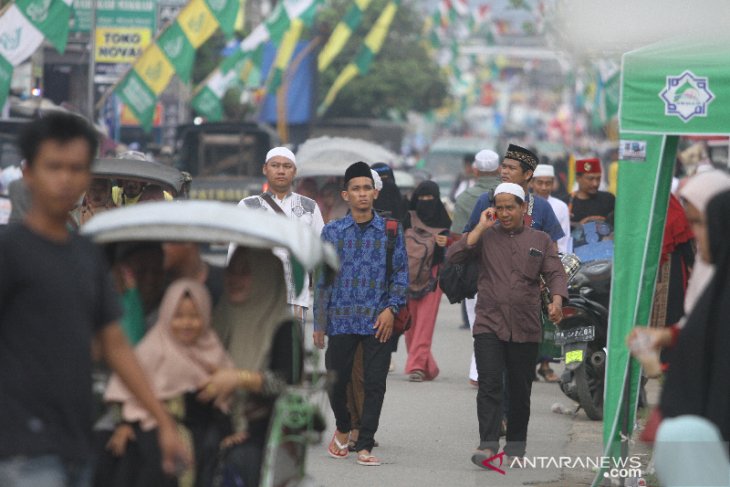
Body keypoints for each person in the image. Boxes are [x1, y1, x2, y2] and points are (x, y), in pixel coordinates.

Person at [0, 113, 187, 487]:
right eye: (53, 167)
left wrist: (163, 422)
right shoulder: (10, 252)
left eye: (76, 168)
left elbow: (114, 345)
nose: (65, 179)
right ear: (28, 173)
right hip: (21, 446)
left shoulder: (88, 256)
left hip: (78, 439)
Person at [447, 183, 568, 469]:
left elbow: (555, 273)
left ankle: (515, 447)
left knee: (519, 389)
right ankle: (488, 446)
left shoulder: (540, 239)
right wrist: (479, 227)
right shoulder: (485, 237)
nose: (503, 213)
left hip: (525, 326)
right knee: (489, 384)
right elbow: (454, 255)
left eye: (509, 207)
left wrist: (557, 302)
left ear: (523, 208)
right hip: (489, 322)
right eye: (499, 207)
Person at [313, 161, 408, 466]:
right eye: (356, 189)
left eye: (367, 188)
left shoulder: (391, 230)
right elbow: (323, 280)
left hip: (378, 319)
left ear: (375, 193)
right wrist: (319, 322)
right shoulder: (332, 231)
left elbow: (400, 275)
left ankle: (365, 444)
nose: (362, 194)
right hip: (341, 319)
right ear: (346, 194)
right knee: (334, 379)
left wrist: (391, 310)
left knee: (375, 383)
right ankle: (343, 425)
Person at [99, 279, 234, 487]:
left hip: (200, 436)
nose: (186, 323)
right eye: (178, 316)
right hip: (151, 429)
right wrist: (125, 425)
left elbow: (224, 400)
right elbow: (124, 392)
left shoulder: (213, 351)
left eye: (194, 316)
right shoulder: (151, 349)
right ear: (166, 314)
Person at [199, 247, 304, 487]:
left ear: (266, 276)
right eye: (231, 272)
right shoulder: (219, 314)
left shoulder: (284, 327)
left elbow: (288, 381)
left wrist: (240, 379)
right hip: (215, 417)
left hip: (262, 428)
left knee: (240, 460)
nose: (234, 280)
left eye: (245, 273)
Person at [463, 145, 565, 385]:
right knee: (493, 364)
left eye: (511, 168)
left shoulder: (541, 207)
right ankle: (496, 416)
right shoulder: (485, 201)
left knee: (518, 371)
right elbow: (469, 241)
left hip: (527, 299)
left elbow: (553, 251)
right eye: (504, 167)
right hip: (490, 292)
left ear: (528, 174)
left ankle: (510, 416)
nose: (504, 171)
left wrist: (553, 293)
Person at [234, 147, 325, 329]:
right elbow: (235, 252)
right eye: (275, 165)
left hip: (297, 296)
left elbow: (320, 250)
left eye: (287, 166)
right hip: (257, 295)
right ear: (265, 169)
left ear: (295, 171)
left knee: (291, 350)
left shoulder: (309, 207)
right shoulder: (248, 206)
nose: (281, 171)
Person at [403, 181, 452, 382]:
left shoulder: (445, 220)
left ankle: (415, 366)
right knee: (410, 326)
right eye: (421, 199)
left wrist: (447, 242)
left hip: (433, 276)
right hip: (408, 275)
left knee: (425, 323)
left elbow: (459, 245)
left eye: (429, 199)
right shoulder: (407, 218)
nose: (425, 203)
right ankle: (427, 366)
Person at [450, 149, 501, 241]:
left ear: (475, 171)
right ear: (500, 169)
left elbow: (457, 235)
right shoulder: (511, 194)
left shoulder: (463, 198)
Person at [531, 164, 571, 253]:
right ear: (531, 183)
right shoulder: (525, 204)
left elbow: (563, 240)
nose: (544, 187)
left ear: (553, 184)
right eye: (540, 183)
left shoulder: (561, 206)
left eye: (548, 183)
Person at [568, 158, 615, 225]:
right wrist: (579, 225)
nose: (595, 183)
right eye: (590, 179)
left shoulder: (609, 200)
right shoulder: (566, 203)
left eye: (598, 179)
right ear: (578, 178)